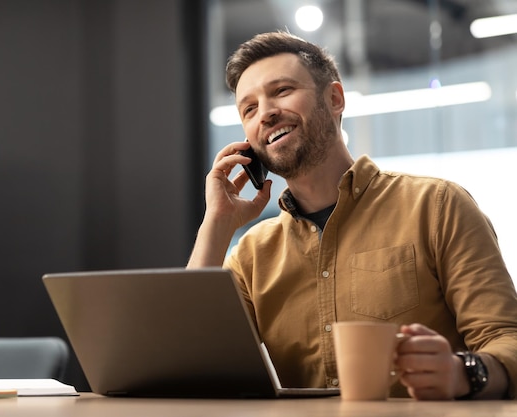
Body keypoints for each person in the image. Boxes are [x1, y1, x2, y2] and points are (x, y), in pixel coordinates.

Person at [187, 31, 517, 400]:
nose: (265, 113)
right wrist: (215, 224)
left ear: (334, 98)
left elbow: (507, 340)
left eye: (281, 91)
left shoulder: (438, 206)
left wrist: (461, 373)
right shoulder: (252, 255)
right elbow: (184, 364)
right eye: (249, 109)